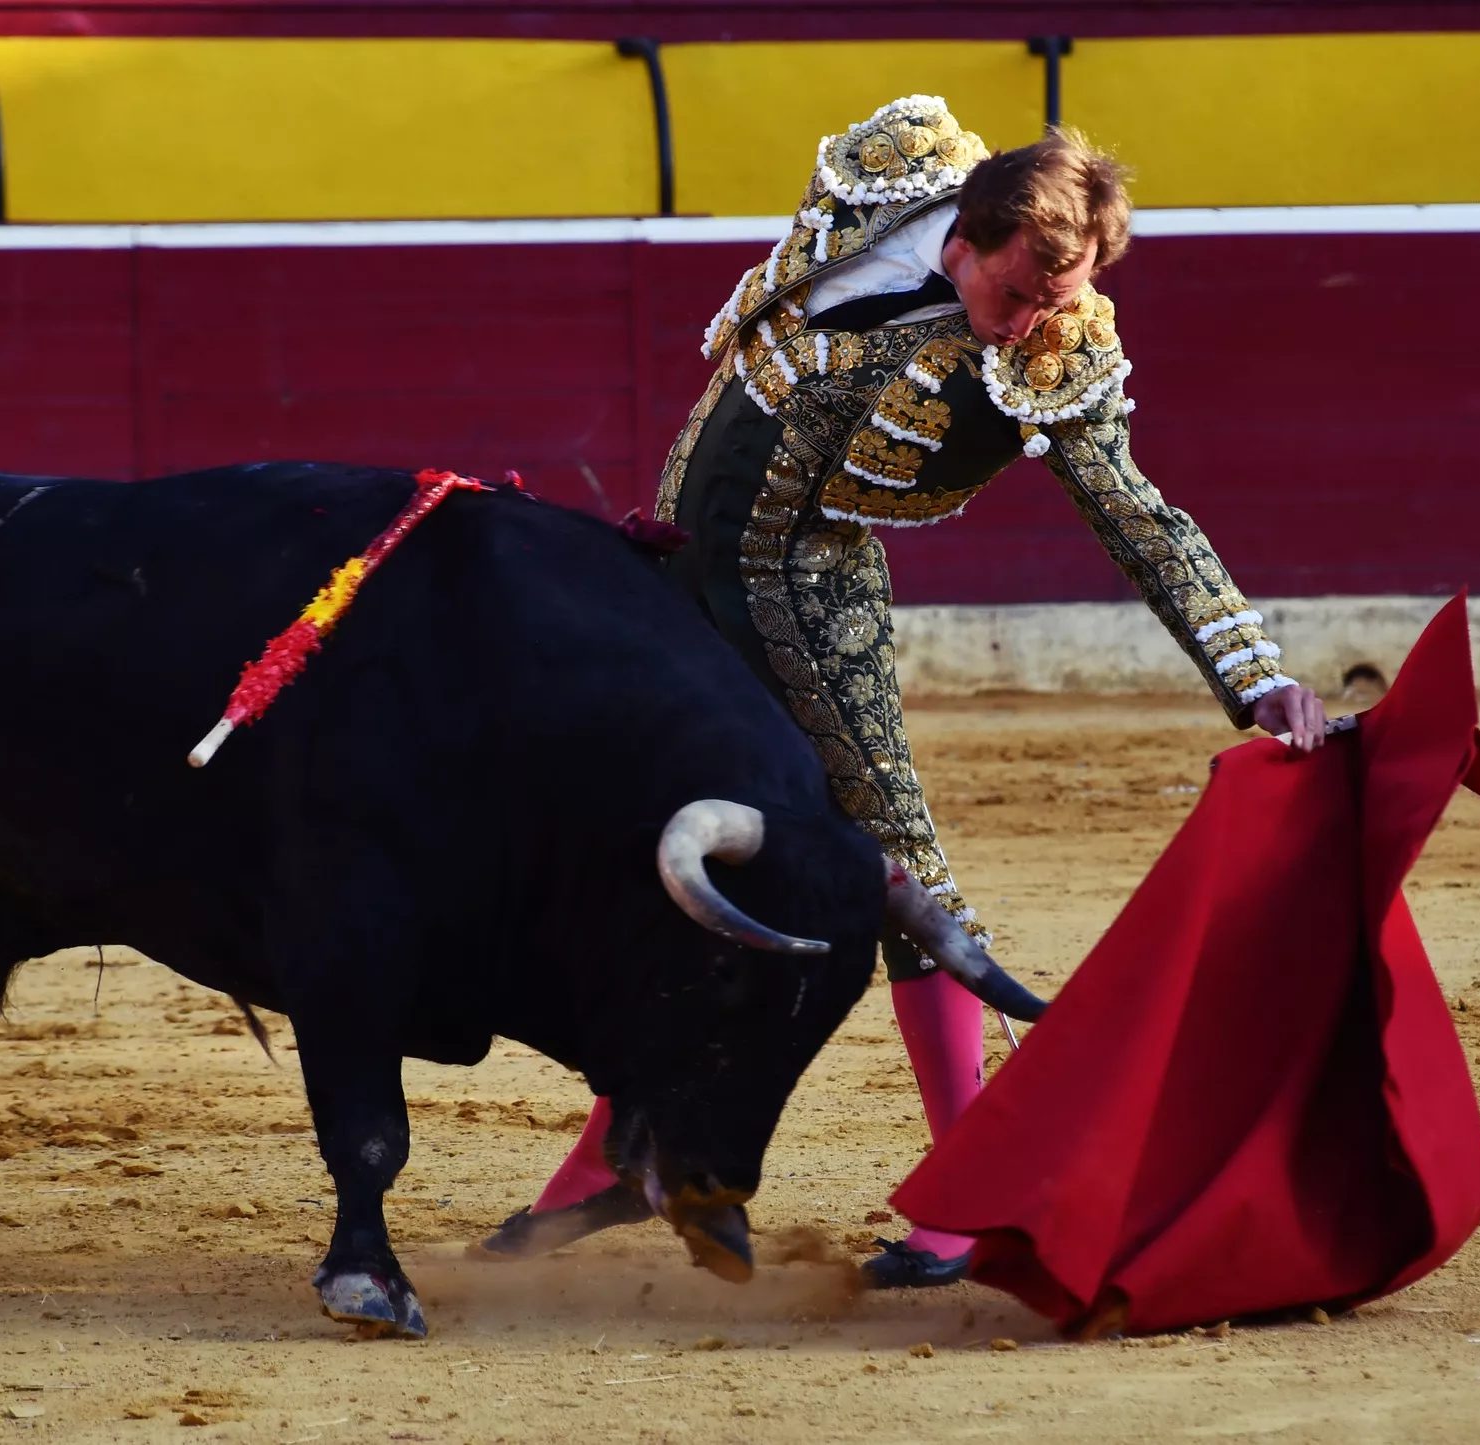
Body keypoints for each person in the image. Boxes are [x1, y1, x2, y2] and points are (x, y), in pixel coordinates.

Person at [480, 96, 1328, 1287]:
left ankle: (967, 1198)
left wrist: (1253, 672)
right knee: (652, 864)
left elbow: (1139, 516)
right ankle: (613, 1160)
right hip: (673, 577)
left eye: (1057, 297)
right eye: (1016, 291)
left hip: (805, 603)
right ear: (963, 236)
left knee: (896, 874)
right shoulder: (890, 172)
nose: (1030, 322)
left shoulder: (1057, 353)